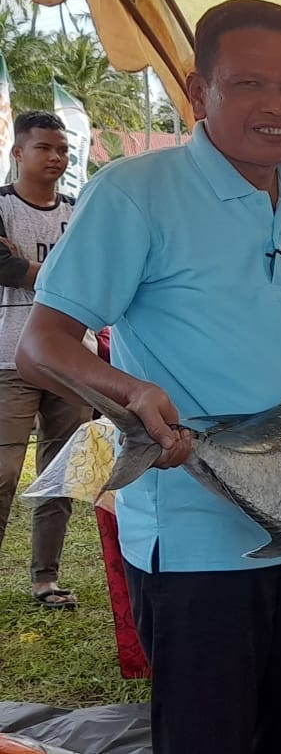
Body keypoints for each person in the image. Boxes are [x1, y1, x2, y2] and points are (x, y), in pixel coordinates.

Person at [16, 0, 281, 754]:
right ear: (198, 93)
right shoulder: (135, 191)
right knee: (209, 735)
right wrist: (132, 394)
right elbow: (41, 345)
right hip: (198, 524)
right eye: (248, 85)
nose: (277, 107)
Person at [0, 110, 91, 609]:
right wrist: (59, 269)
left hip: (71, 362)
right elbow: (1, 267)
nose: (56, 158)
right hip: (7, 359)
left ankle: (45, 579)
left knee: (60, 475)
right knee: (3, 474)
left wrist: (28, 266)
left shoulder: (79, 211)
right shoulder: (0, 205)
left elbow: (97, 272)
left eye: (63, 150)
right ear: (18, 152)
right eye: (45, 148)